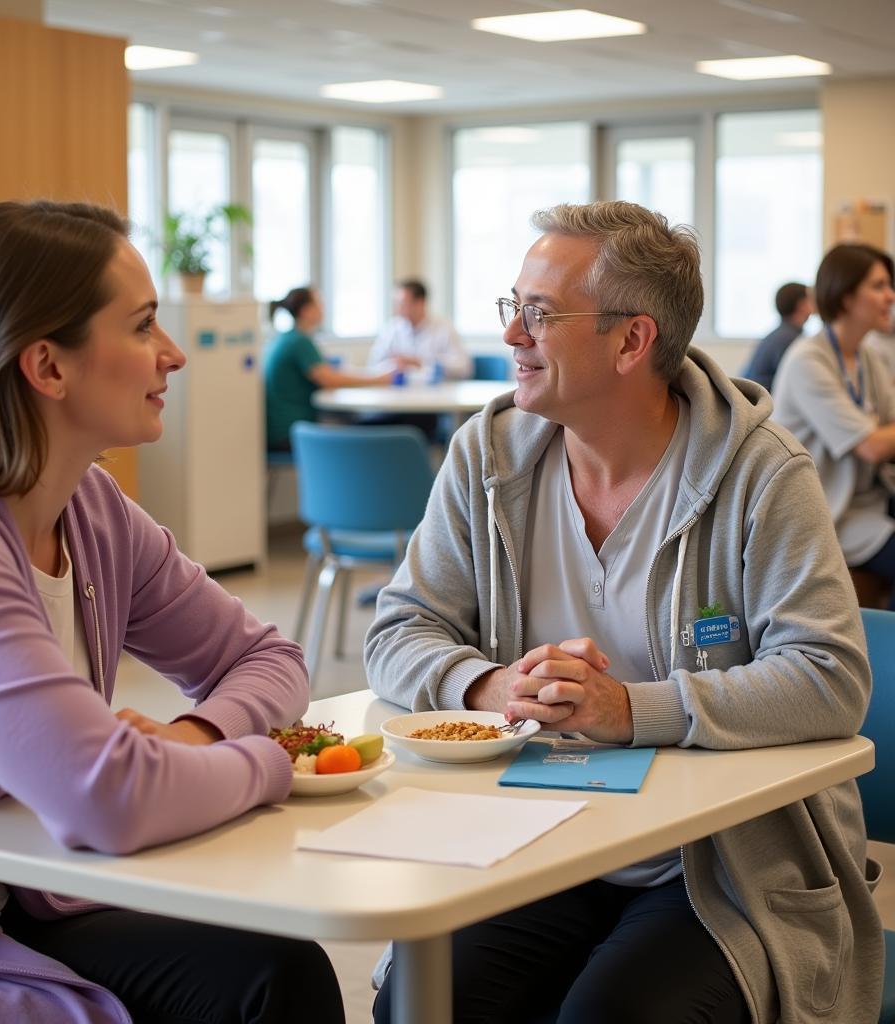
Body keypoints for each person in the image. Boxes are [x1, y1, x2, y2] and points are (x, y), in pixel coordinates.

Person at [366, 201, 882, 1023]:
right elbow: (399, 629)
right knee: (422, 1002)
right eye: (514, 307)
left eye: (539, 314)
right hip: (531, 836)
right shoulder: (487, 457)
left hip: (713, 865)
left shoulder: (760, 473)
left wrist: (626, 709)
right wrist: (490, 686)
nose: (511, 335)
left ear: (631, 341)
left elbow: (830, 678)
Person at [0, 201, 345, 1024]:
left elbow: (272, 659)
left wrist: (196, 735)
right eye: (143, 327)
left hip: (18, 897)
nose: (175, 355)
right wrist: (273, 763)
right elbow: (110, 799)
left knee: (273, 970)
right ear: (48, 367)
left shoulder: (90, 505)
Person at [773, 243, 895, 603]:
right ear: (844, 297)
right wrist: (876, 434)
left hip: (868, 497)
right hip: (829, 513)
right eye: (879, 286)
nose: (890, 296)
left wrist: (878, 433)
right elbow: (871, 445)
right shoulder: (807, 360)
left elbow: (885, 427)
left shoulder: (866, 355)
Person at [263, 285, 394, 451]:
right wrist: (381, 379)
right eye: (319, 303)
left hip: (286, 428)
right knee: (362, 428)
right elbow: (329, 380)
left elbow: (325, 372)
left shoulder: (287, 338)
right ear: (306, 310)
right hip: (290, 433)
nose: (323, 307)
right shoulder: (299, 341)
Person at [368, 278, 472, 382]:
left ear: (420, 303)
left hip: (437, 394)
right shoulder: (391, 328)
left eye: (402, 304)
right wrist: (394, 364)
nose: (398, 309)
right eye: (396, 304)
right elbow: (373, 365)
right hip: (398, 393)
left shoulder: (445, 328)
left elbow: (464, 367)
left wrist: (422, 362)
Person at [740, 281, 814, 391]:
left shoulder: (779, 334)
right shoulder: (790, 339)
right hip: (763, 402)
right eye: (811, 299)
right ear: (801, 305)